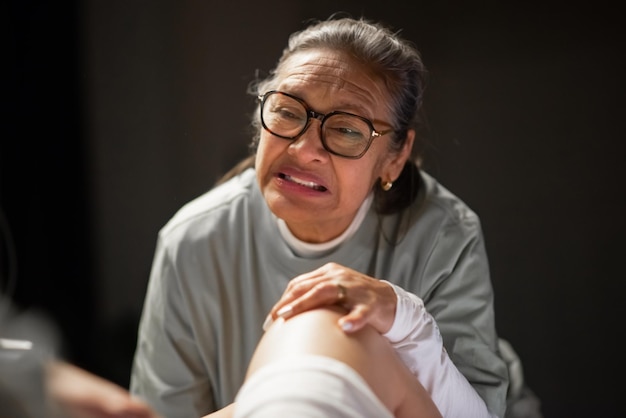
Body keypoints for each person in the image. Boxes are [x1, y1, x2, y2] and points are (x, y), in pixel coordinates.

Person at [130, 14, 509, 417]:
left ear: (395, 158)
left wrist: (403, 318)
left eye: (347, 129)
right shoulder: (192, 241)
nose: (303, 149)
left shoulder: (444, 236)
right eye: (289, 111)